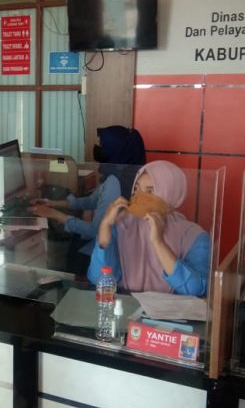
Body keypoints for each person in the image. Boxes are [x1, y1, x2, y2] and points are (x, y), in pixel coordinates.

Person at [29, 126, 146, 273]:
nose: (98, 148)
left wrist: (55, 215)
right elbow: (92, 201)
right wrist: (53, 203)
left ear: (115, 149)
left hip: (105, 253)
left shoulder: (115, 182)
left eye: (102, 145)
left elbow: (95, 231)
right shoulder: (121, 174)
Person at [88, 160, 210, 296]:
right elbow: (98, 279)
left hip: (171, 309)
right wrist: (105, 226)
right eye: (137, 189)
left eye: (150, 191)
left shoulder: (193, 235)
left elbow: (197, 289)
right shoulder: (121, 224)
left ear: (170, 192)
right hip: (125, 305)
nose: (139, 196)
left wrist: (159, 243)